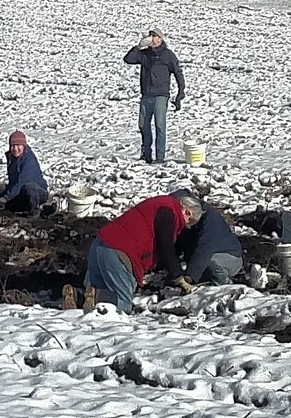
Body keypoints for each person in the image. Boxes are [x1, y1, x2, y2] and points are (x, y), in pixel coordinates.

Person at [79, 190, 196, 313]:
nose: (185, 226)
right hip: (118, 251)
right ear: (187, 212)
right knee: (123, 305)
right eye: (189, 223)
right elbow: (166, 245)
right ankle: (105, 323)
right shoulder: (168, 212)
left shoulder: (160, 203)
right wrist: (178, 277)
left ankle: (79, 297)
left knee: (99, 292)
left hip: (101, 242)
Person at [123, 30, 186, 165]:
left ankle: (159, 157)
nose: (151, 38)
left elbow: (178, 73)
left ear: (161, 39)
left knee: (160, 126)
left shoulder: (168, 55)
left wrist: (180, 92)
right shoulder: (145, 54)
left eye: (155, 36)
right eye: (150, 36)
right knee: (143, 125)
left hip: (161, 95)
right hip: (146, 95)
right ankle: (146, 155)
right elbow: (128, 59)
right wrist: (138, 47)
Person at [179, 198, 244, 288]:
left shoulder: (209, 227)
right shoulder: (197, 219)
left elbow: (204, 250)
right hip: (214, 254)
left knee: (212, 261)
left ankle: (226, 286)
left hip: (232, 258)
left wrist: (189, 278)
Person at [0, 130, 50, 215]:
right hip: (20, 190)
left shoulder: (29, 161)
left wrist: (6, 198)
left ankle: (35, 211)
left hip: (37, 192)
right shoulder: (12, 158)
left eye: (18, 145)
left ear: (23, 146)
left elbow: (21, 182)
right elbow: (13, 182)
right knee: (1, 188)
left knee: (29, 187)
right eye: (13, 146)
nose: (15, 149)